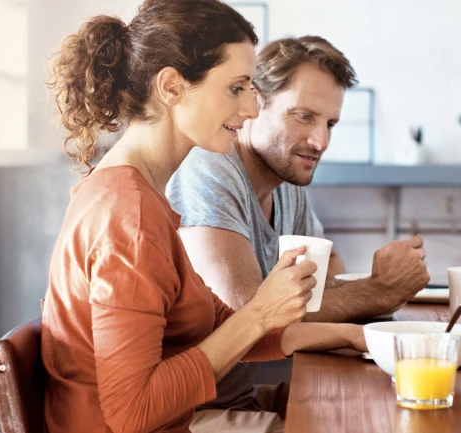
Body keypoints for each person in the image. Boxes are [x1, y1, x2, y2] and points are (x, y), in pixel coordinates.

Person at [41, 2, 366, 432]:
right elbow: (132, 413)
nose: (251, 110)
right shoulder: (129, 215)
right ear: (172, 87)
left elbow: (229, 329)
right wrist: (260, 313)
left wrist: (358, 338)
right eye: (237, 88)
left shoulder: (140, 194)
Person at [166, 36, 429, 416]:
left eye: (330, 123)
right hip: (197, 412)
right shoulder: (208, 169)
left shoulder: (285, 183)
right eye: (303, 115)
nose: (320, 140)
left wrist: (365, 296)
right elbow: (250, 314)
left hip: (249, 394)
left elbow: (329, 268)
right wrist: (378, 291)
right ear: (254, 102)